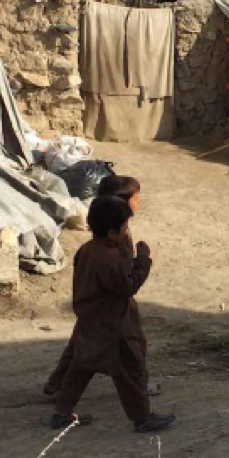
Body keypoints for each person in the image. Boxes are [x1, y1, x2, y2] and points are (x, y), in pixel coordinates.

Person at [49, 196, 174, 433]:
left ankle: (61, 413)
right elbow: (127, 288)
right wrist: (143, 262)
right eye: (125, 226)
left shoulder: (86, 250)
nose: (127, 230)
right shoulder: (108, 258)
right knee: (129, 370)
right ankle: (142, 418)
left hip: (90, 320)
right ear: (112, 232)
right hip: (112, 326)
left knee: (80, 368)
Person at [43, 174, 160, 398]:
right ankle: (139, 389)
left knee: (78, 347)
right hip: (113, 303)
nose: (138, 202)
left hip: (92, 304)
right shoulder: (117, 239)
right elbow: (125, 281)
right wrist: (143, 261)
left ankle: (56, 387)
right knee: (132, 347)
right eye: (135, 198)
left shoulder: (92, 244)